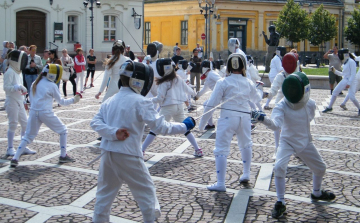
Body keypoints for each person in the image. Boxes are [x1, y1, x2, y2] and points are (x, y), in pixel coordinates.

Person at [91, 60, 196, 223]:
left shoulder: (110, 100)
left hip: (107, 155)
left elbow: (95, 123)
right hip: (128, 156)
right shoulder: (141, 101)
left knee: (104, 197)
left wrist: (113, 133)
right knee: (147, 194)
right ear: (139, 80)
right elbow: (162, 127)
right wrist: (184, 126)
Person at [252, 72, 336, 219]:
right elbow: (276, 126)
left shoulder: (310, 104)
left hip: (304, 142)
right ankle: (280, 201)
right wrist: (263, 119)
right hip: (287, 142)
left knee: (321, 168)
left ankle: (316, 193)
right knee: (279, 167)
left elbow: (307, 119)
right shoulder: (281, 106)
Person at [200, 53, 262, 192]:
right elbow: (257, 98)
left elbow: (212, 104)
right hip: (244, 119)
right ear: (243, 66)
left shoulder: (223, 82)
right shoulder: (248, 82)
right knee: (246, 144)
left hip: (228, 118)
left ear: (228, 66)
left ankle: (221, 183)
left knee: (221, 149)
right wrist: (258, 90)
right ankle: (246, 174)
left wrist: (202, 123)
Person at [10, 64, 82, 167]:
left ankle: (15, 158)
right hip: (46, 113)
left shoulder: (35, 82)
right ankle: (63, 156)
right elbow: (61, 101)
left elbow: (31, 99)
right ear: (52, 75)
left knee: (28, 136)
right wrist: (74, 100)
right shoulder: (51, 85)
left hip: (34, 112)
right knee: (63, 130)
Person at [142, 58, 203, 157]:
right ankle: (198, 149)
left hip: (168, 108)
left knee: (155, 128)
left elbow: (159, 98)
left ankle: (141, 150)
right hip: (179, 107)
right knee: (185, 128)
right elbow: (188, 90)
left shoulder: (163, 82)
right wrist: (195, 95)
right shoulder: (178, 78)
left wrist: (147, 100)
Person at [263, 52, 298, 159]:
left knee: (295, 127)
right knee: (276, 125)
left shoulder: (298, 75)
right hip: (281, 104)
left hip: (294, 104)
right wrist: (266, 94)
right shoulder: (280, 76)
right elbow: (273, 90)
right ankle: (277, 148)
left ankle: (297, 148)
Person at [3, 50, 35, 156]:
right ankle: (10, 148)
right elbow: (6, 88)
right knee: (13, 123)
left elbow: (21, 88)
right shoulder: (9, 72)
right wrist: (16, 87)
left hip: (20, 101)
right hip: (11, 101)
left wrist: (24, 100)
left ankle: (23, 146)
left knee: (25, 123)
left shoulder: (18, 72)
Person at [322, 49, 360, 115]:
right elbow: (343, 74)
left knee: (352, 97)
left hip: (351, 81)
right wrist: (335, 71)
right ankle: (329, 107)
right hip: (345, 79)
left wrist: (349, 83)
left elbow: (353, 74)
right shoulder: (345, 62)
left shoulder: (351, 62)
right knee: (335, 92)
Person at [194, 60, 221, 129]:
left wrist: (219, 91)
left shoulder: (212, 73)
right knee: (206, 104)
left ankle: (202, 127)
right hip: (216, 95)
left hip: (220, 95)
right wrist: (198, 96)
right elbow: (205, 88)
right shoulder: (208, 75)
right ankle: (210, 124)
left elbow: (221, 81)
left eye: (203, 66)